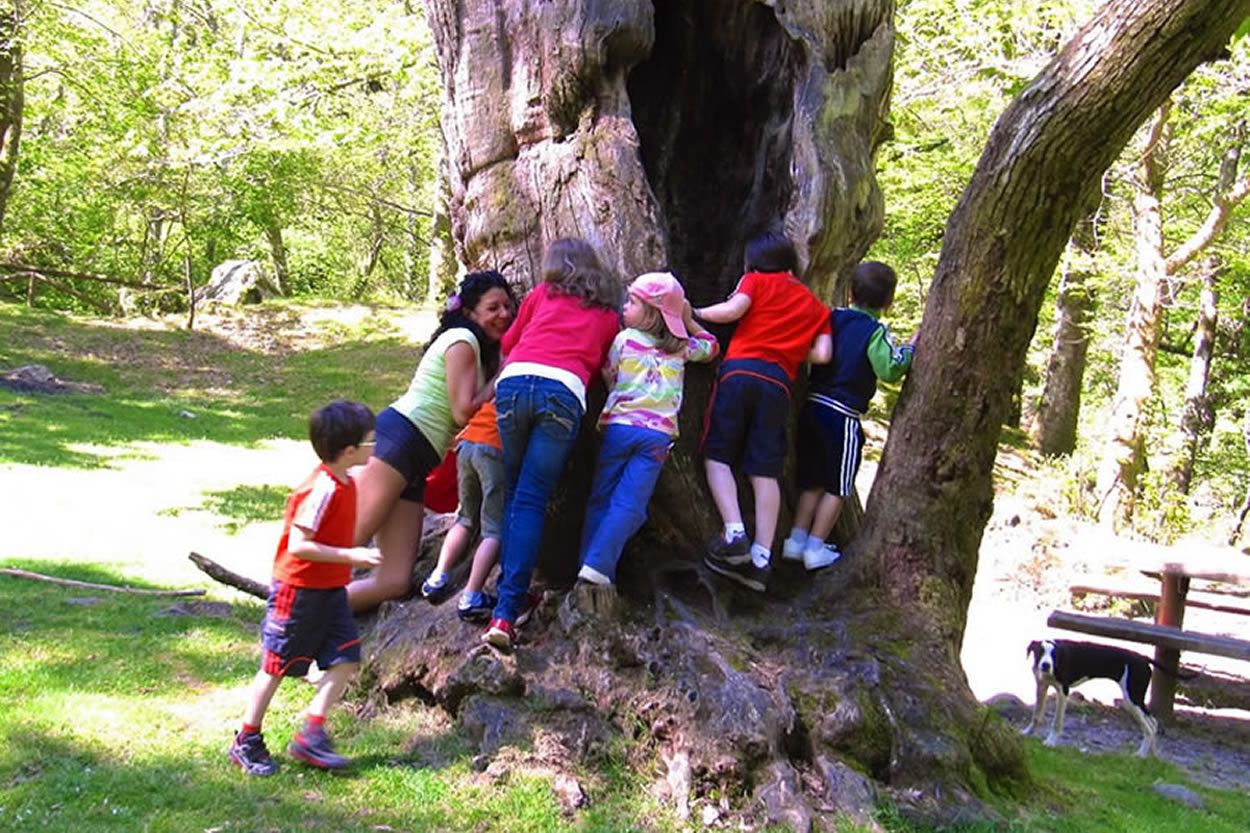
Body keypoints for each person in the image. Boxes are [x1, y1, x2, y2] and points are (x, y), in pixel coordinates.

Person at [228, 400, 381, 776]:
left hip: (329, 591)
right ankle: (246, 738)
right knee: (277, 666)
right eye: (370, 442)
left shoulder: (345, 480)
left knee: (345, 658)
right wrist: (350, 556)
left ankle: (312, 733)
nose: (375, 447)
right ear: (349, 451)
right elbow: (299, 544)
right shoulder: (322, 489)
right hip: (298, 591)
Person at [347, 271, 515, 613]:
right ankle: (289, 610)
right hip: (399, 440)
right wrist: (501, 377)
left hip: (418, 458)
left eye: (508, 307)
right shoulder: (462, 341)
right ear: (469, 312)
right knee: (344, 544)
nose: (504, 314)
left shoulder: (482, 352)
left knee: (393, 581)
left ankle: (310, 614)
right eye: (493, 307)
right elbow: (462, 411)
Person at [483, 238, 621, 651]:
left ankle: (508, 604)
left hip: (512, 385)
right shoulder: (609, 316)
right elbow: (600, 371)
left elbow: (508, 345)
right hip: (561, 392)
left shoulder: (543, 295)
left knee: (515, 497)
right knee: (529, 499)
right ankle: (506, 612)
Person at [694, 231, 833, 593]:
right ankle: (760, 559)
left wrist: (694, 312)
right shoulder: (816, 305)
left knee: (717, 455)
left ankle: (735, 532)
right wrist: (786, 348)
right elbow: (822, 355)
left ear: (754, 260)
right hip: (778, 384)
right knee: (764, 470)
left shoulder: (755, 279)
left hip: (739, 373)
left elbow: (733, 311)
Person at [577, 272, 718, 587]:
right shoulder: (682, 348)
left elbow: (610, 374)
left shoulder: (624, 340)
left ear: (653, 313)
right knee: (630, 502)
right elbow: (712, 347)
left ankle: (590, 562)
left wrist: (614, 384)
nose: (624, 308)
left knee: (602, 496)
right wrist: (688, 319)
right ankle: (598, 565)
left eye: (632, 303)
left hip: (620, 428)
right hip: (656, 436)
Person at [783, 261, 914, 569]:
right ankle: (815, 548)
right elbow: (889, 370)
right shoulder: (875, 331)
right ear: (888, 303)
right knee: (838, 487)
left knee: (811, 481)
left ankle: (795, 541)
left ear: (851, 292)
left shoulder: (832, 317)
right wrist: (909, 350)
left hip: (812, 406)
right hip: (842, 416)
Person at [417, 396, 505, 623]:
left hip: (467, 443)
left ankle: (437, 579)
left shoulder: (504, 383)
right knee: (494, 530)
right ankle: (472, 596)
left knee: (465, 518)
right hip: (495, 447)